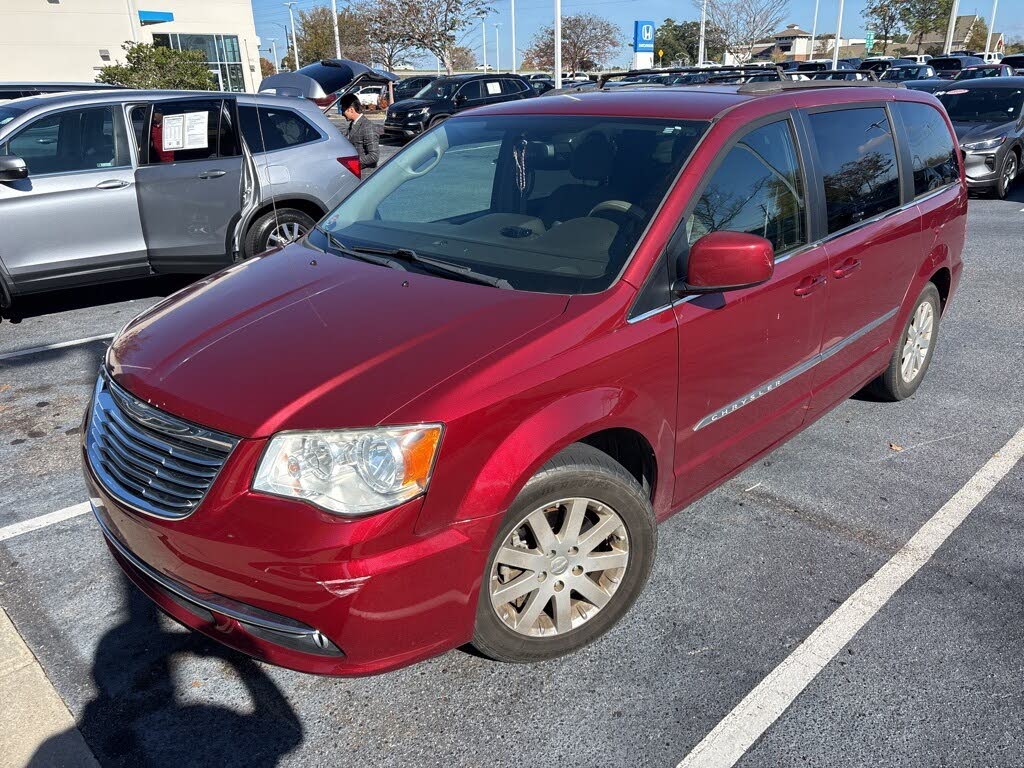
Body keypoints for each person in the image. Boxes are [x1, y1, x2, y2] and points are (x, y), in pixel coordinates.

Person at [339, 92, 379, 172]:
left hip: (365, 175)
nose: (342, 114)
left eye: (343, 110)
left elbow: (374, 156)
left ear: (351, 109)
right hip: (354, 172)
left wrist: (350, 163)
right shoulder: (353, 124)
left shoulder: (367, 126)